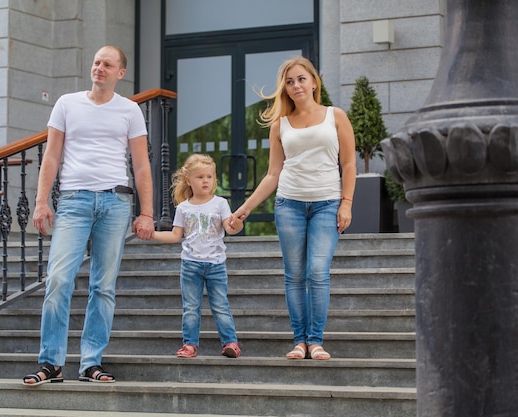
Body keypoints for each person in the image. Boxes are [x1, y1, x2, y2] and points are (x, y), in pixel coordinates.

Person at [22, 46, 155, 385]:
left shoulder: (130, 110)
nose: (99, 68)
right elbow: (51, 157)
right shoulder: (67, 103)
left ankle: (90, 363)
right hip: (73, 201)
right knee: (58, 280)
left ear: (120, 73)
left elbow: (141, 165)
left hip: (115, 203)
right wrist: (41, 201)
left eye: (107, 64)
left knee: (103, 287)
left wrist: (147, 212)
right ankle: (51, 362)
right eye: (96, 62)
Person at [231, 56, 356, 361]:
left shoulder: (335, 116)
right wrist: (244, 208)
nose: (296, 86)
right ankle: (300, 341)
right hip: (289, 204)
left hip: (327, 203)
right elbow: (273, 173)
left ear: (314, 82)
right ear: (284, 89)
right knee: (294, 275)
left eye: (301, 79)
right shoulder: (280, 124)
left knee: (318, 271)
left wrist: (346, 203)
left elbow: (349, 163)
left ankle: (316, 341)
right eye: (289, 82)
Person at [150, 154, 243, 359]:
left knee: (220, 305)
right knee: (191, 307)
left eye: (209, 177)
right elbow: (175, 235)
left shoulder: (220, 204)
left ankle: (230, 343)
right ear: (189, 180)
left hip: (216, 265)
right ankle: (190, 345)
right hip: (190, 264)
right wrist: (152, 233)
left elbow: (230, 227)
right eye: (200, 177)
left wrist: (237, 224)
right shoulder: (183, 208)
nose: (206, 181)